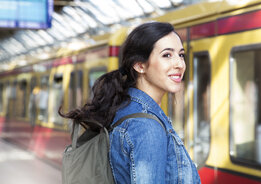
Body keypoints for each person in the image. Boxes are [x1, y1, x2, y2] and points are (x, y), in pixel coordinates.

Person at [60, 22, 201, 184]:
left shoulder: (125, 108)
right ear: (140, 65)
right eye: (167, 55)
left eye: (181, 55)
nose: (179, 64)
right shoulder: (146, 125)